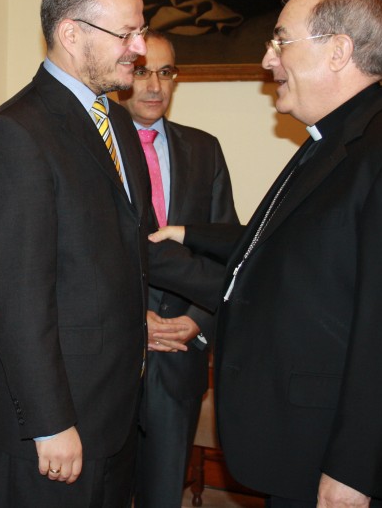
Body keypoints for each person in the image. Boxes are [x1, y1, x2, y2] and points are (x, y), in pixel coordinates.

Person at [152, 0, 382, 506]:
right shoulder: (335, 140)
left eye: (280, 41)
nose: (268, 59)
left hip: (335, 455)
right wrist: (188, 233)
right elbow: (280, 243)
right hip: (299, 440)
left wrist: (354, 471)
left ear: (338, 51)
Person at [0, 0, 224, 507]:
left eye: (141, 31)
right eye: (127, 33)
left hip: (114, 411)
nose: (139, 47)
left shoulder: (117, 127)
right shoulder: (17, 133)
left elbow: (142, 248)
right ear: (71, 34)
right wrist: (50, 422)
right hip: (55, 423)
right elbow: (18, 298)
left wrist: (239, 287)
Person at [118, 31, 240, 508]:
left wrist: (197, 320)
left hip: (179, 352)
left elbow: (223, 247)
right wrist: (133, 320)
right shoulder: (98, 149)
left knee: (162, 494)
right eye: (143, 71)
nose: (154, 85)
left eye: (165, 73)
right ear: (124, 74)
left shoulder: (204, 149)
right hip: (112, 350)